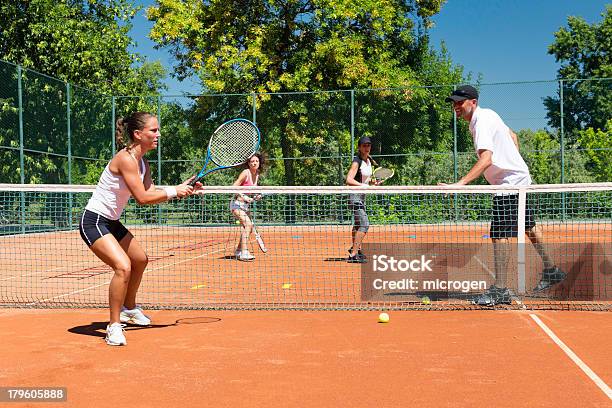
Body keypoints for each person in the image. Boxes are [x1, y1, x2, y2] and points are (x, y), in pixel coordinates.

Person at [79, 112, 199, 346]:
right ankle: (113, 326)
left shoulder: (143, 162)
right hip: (93, 221)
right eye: (153, 130)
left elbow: (151, 190)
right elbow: (143, 198)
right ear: (137, 134)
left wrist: (181, 188)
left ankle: (129, 308)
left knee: (140, 259)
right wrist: (174, 191)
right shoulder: (125, 159)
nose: (158, 134)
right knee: (123, 267)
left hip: (111, 222)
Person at [442, 85, 566, 306]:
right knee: (528, 226)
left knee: (499, 234)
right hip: (519, 180)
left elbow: (486, 159)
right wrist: (514, 162)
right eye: (454, 103)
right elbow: (513, 136)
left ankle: (500, 289)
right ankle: (552, 270)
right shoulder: (489, 115)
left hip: (508, 185)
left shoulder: (481, 122)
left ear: (473, 102)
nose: (455, 107)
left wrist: (461, 183)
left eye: (459, 102)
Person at [345, 136, 380, 263]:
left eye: (368, 145)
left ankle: (356, 249)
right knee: (364, 224)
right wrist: (363, 186)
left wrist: (372, 184)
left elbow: (365, 179)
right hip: (355, 196)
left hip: (362, 196)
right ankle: (353, 255)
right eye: (364, 145)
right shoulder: (357, 161)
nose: (367, 147)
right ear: (359, 147)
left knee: (358, 224)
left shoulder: (369, 161)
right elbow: (348, 180)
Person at [230, 153, 265, 261]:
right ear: (248, 163)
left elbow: (252, 190)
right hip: (236, 204)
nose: (254, 163)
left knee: (248, 228)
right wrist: (244, 196)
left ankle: (238, 250)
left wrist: (257, 195)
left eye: (256, 161)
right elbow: (233, 187)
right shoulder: (246, 173)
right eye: (252, 161)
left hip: (245, 206)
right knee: (248, 225)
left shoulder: (257, 174)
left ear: (259, 163)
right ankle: (244, 253)